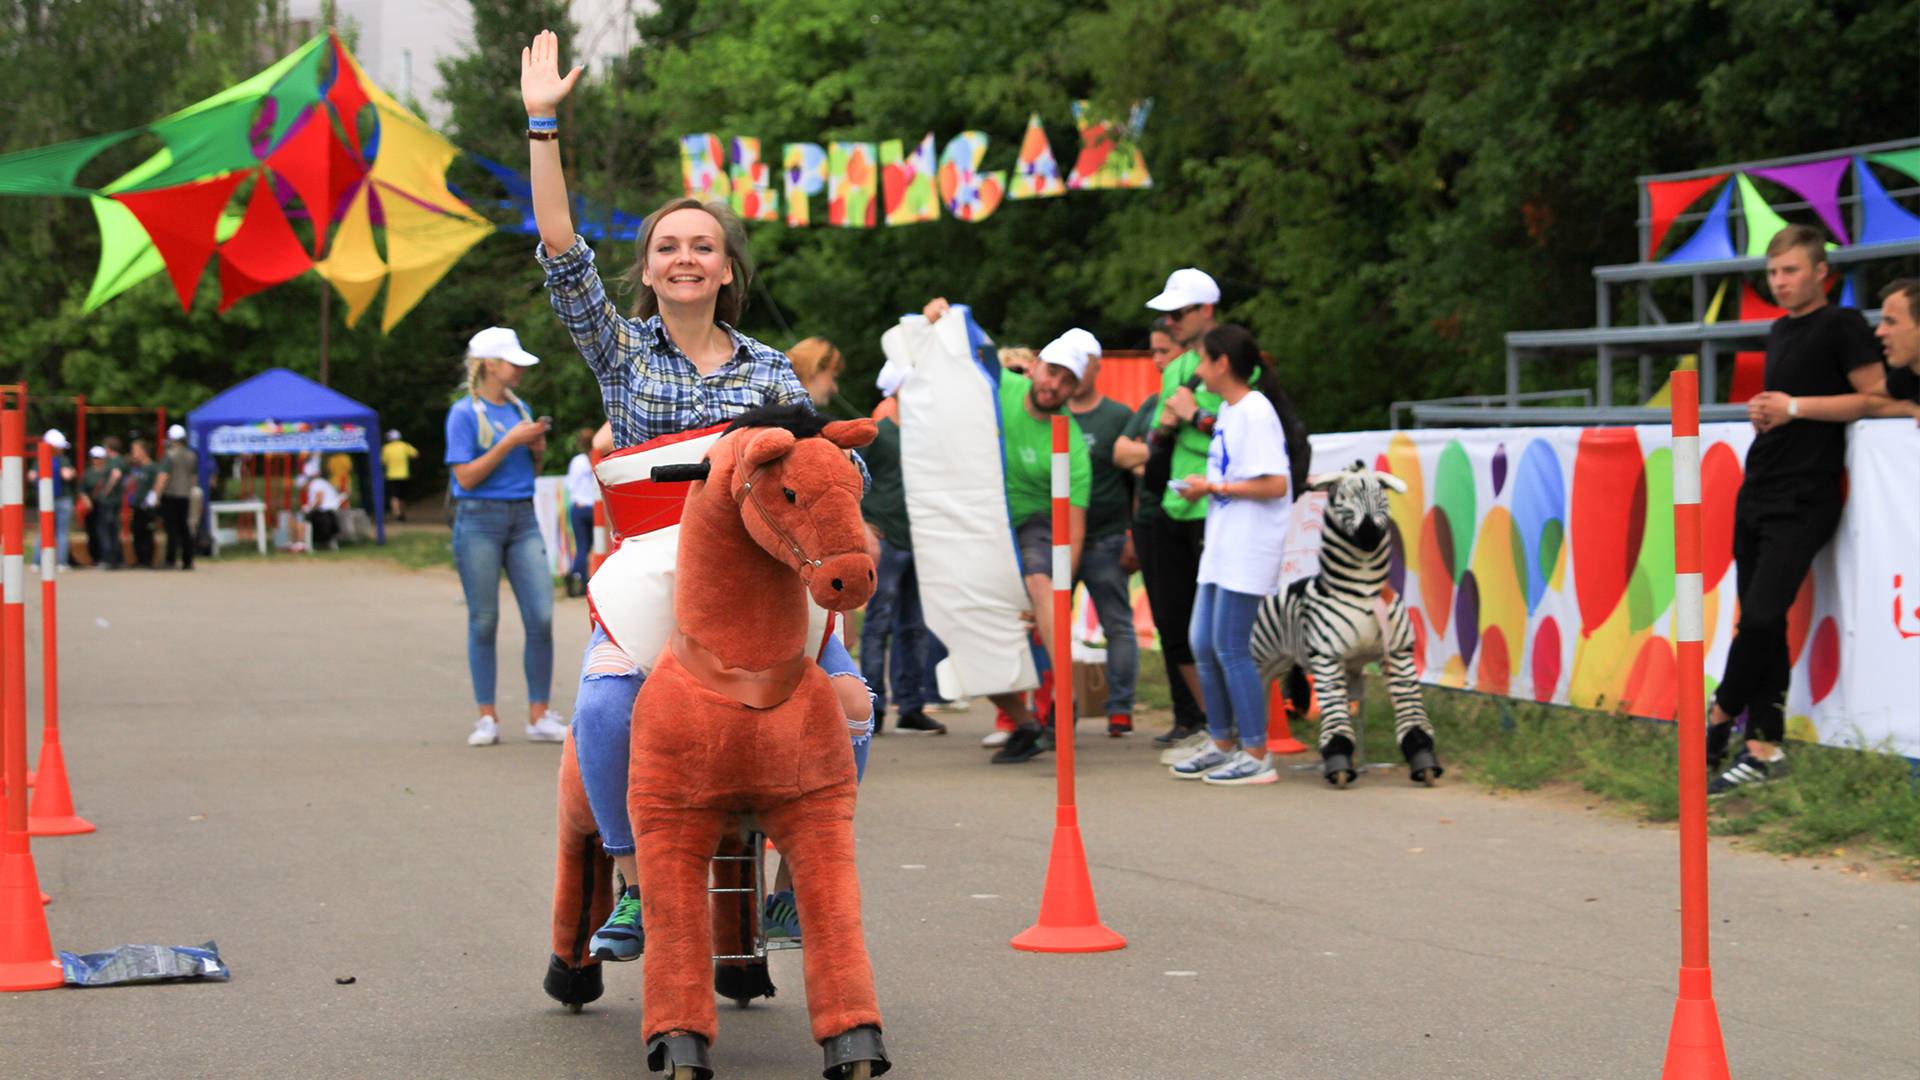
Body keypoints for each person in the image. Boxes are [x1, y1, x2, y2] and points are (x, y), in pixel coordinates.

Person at [521, 28, 875, 963]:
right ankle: (635, 882)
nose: (684, 257)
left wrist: (842, 482)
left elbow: (825, 474)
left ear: (726, 271)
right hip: (652, 577)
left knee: (856, 705)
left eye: (703, 246)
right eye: (667, 246)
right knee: (602, 708)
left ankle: (793, 886)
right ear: (647, 270)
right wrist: (543, 123)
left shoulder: (771, 372)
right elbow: (560, 248)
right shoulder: (621, 352)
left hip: (758, 584)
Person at [1706, 226, 1884, 795]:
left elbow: (1876, 397)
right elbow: (1789, 405)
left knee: (1761, 618)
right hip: (1759, 485)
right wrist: (1769, 411)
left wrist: (1796, 407)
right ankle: (1763, 749)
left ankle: (1720, 713)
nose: (1779, 283)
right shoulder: (1780, 329)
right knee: (1761, 624)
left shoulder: (1843, 324)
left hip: (1807, 494)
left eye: (1790, 271)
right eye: (1773, 273)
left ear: (1821, 272)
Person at [924, 300, 1092, 763]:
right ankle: (1023, 723)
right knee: (962, 621)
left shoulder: (1072, 442)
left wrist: (1058, 593)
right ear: (1035, 366)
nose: (1054, 385)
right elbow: (971, 347)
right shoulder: (1002, 386)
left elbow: (1073, 531)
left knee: (1042, 581)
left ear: (1074, 390)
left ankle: (1064, 699)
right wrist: (945, 316)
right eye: (1052, 372)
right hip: (978, 514)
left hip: (1032, 521)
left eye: (1067, 381)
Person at [1167, 325, 1306, 786]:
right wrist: (1206, 488)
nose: (1198, 370)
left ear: (1222, 363)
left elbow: (1277, 484)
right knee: (1203, 642)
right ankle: (1223, 741)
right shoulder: (1229, 411)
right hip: (1223, 544)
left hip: (1248, 547)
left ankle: (1256, 752)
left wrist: (1214, 487)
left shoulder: (1256, 411)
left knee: (1230, 646)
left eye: (1203, 360)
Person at [444, 324, 567, 749]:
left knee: (542, 616)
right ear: (490, 365)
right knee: (484, 619)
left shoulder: (520, 408)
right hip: (478, 519)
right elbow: (465, 478)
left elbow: (529, 472)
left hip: (522, 517)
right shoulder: (463, 413)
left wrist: (535, 451)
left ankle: (539, 715)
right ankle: (487, 717)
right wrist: (510, 442)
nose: (520, 370)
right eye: (512, 363)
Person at [1114, 317, 1210, 749]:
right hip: (1150, 523)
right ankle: (1186, 716)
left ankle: (1214, 720)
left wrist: (1151, 458)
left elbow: (1152, 458)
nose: (1157, 361)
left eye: (1164, 352)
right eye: (1152, 352)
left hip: (1190, 519)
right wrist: (1152, 455)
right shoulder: (1153, 403)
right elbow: (1122, 453)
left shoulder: (1202, 400)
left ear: (1186, 355)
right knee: (1168, 621)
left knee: (1196, 623)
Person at [1141, 269, 1224, 753]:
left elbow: (1245, 430)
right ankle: (1212, 725)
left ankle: (1233, 729)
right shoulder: (1174, 369)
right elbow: (1156, 436)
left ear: (1205, 310)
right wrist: (1168, 424)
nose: (1170, 322)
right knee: (1176, 627)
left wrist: (1196, 414)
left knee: (1219, 630)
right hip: (1173, 507)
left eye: (1178, 313)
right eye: (1167, 314)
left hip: (1218, 506)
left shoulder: (1234, 358)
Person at [855, 365, 946, 736]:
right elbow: (852, 477)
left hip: (919, 540)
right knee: (879, 623)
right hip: (887, 539)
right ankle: (873, 706)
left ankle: (910, 706)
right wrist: (863, 522)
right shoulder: (878, 435)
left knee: (915, 626)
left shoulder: (927, 436)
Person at [1067, 343, 1141, 736]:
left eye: (1084, 364)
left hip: (1107, 540)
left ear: (1097, 367)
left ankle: (1120, 709)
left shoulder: (1118, 416)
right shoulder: (1050, 414)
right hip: (1058, 542)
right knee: (1049, 625)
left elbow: (1136, 481)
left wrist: (1133, 536)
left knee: (1118, 625)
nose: (1077, 373)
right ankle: (1059, 708)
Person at [1869, 278, 1919, 417]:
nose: (1879, 332)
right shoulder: (1907, 375)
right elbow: (1866, 401)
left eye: (1891, 322)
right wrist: (1907, 408)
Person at [155, 425, 198, 570]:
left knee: (171, 529)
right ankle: (187, 560)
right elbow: (194, 477)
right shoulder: (191, 455)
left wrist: (156, 496)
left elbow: (163, 477)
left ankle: (170, 560)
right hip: (185, 495)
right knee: (184, 527)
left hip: (170, 495)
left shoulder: (169, 455)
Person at [563, 427, 598, 595]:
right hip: (595, 508)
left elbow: (570, 485)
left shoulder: (577, 461)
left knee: (582, 546)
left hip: (579, 507)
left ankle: (575, 574)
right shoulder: (597, 458)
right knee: (592, 546)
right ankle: (584, 580)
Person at [39, 429, 76, 571]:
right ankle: (61, 563)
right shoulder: (63, 460)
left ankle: (37, 563)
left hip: (45, 499)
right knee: (62, 532)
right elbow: (67, 476)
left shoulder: (41, 459)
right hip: (63, 499)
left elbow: (32, 476)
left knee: (43, 532)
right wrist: (72, 472)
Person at [89, 437, 126, 569]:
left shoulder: (115, 461)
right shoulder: (119, 461)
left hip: (109, 501)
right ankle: (116, 559)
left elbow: (115, 475)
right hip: (114, 500)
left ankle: (108, 559)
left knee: (105, 530)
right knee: (113, 529)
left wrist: (105, 491)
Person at [125, 438, 160, 568]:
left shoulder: (152, 467)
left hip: (147, 506)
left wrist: (152, 500)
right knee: (137, 531)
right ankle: (139, 559)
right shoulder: (138, 468)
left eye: (135, 450)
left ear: (144, 451)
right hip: (137, 505)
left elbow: (157, 485)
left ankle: (147, 560)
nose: (133, 453)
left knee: (147, 532)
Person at [300, 457, 345, 550]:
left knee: (308, 518)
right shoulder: (320, 482)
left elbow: (319, 500)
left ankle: (309, 542)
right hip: (330, 511)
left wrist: (309, 509)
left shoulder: (315, 484)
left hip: (325, 513)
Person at [380, 429, 420, 521]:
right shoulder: (405, 446)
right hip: (404, 475)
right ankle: (402, 514)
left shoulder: (386, 448)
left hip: (391, 475)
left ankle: (396, 514)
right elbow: (416, 455)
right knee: (402, 496)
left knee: (394, 496)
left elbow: (382, 461)